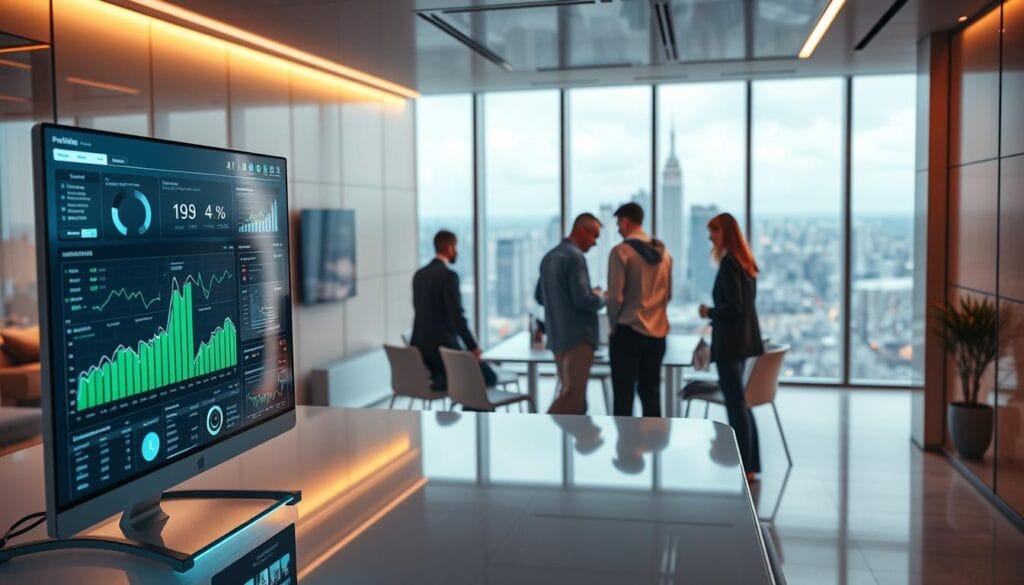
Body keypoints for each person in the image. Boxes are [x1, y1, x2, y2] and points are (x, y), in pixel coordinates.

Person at [698, 212, 765, 482]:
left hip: (730, 343)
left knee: (735, 405)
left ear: (725, 233)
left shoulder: (729, 263)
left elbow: (734, 307)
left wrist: (709, 312)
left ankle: (745, 464)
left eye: (713, 231)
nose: (710, 237)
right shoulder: (746, 262)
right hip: (743, 342)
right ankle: (751, 463)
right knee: (741, 403)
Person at [535, 213, 606, 415]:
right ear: (581, 230)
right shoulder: (575, 258)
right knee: (573, 398)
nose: (595, 243)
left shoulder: (549, 257)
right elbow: (583, 300)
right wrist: (602, 298)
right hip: (578, 338)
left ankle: (575, 444)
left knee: (574, 399)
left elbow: (540, 297)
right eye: (594, 235)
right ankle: (545, 430)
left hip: (557, 337)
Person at [606, 203, 672, 417]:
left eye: (618, 224)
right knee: (651, 395)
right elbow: (668, 295)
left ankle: (626, 450)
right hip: (658, 334)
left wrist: (613, 324)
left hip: (629, 331)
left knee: (623, 399)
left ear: (626, 221)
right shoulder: (664, 255)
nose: (618, 229)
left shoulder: (621, 252)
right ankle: (654, 447)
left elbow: (615, 297)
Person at [411, 230, 497, 390]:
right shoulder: (448, 276)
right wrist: (473, 348)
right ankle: (469, 407)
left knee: (462, 376)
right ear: (450, 248)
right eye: (455, 247)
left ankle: (446, 385)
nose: (456, 251)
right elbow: (457, 317)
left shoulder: (419, 275)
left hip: (421, 354)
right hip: (445, 354)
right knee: (490, 377)